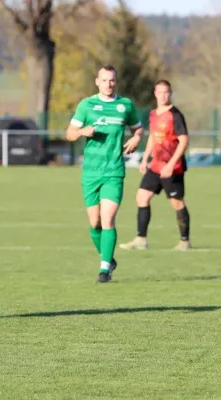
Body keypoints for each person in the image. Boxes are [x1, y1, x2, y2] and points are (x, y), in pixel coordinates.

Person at [66, 65, 144, 283]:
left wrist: (137, 138)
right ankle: (108, 256)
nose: (108, 84)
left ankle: (104, 269)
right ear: (97, 81)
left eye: (112, 80)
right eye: (104, 80)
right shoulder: (87, 105)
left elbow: (138, 128)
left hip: (114, 171)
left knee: (108, 218)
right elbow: (69, 133)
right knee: (95, 223)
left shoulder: (125, 105)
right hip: (91, 172)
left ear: (115, 82)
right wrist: (82, 131)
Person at [120, 80, 191, 251]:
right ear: (155, 93)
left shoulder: (175, 115)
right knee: (142, 197)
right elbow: (152, 136)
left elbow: (184, 140)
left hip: (172, 168)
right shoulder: (153, 114)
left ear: (170, 93)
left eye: (166, 92)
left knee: (177, 203)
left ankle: (184, 241)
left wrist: (171, 164)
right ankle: (141, 239)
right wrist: (145, 159)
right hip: (156, 166)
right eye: (160, 92)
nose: (163, 95)